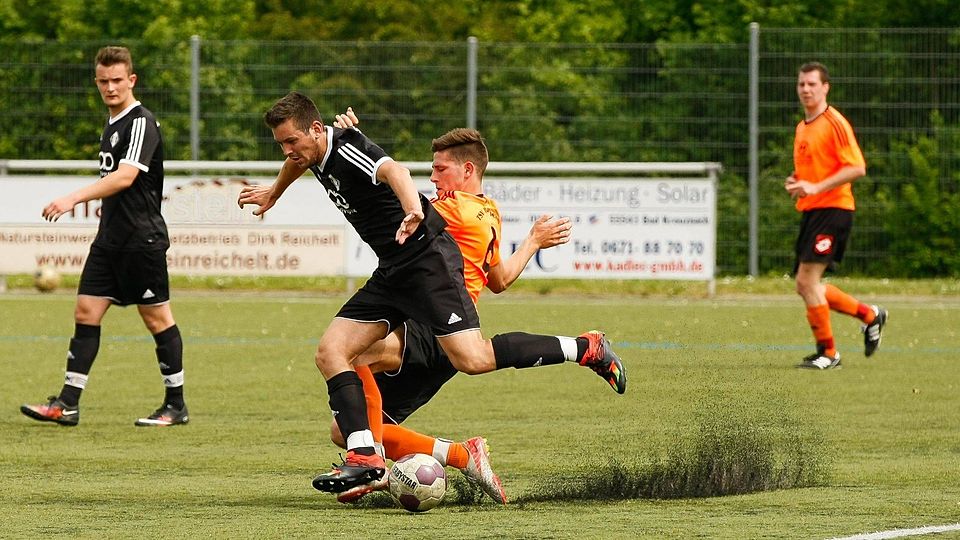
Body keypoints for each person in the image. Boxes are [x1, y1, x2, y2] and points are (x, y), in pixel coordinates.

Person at [237, 92, 625, 497]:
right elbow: (300, 158)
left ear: (316, 130)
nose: (287, 151)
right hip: (393, 270)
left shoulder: (354, 150)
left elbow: (397, 172)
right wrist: (274, 193)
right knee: (332, 352)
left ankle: (585, 347)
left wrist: (414, 208)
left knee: (472, 358)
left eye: (291, 142)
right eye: (282, 144)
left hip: (427, 262)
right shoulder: (315, 149)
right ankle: (366, 459)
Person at [328, 110, 609, 505]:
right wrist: (532, 241)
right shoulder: (487, 211)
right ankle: (460, 454)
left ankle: (370, 468)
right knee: (345, 428)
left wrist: (354, 140)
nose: (433, 177)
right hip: (441, 331)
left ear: (467, 170)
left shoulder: (455, 211)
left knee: (350, 350)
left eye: (440, 169)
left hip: (428, 327)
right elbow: (499, 280)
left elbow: (391, 193)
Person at [20, 46, 188, 427]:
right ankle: (67, 404)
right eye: (103, 81)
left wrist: (71, 198)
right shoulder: (111, 124)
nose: (110, 87)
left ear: (131, 80)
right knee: (86, 311)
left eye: (117, 80)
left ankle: (176, 405)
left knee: (157, 319)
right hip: (109, 241)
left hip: (141, 240)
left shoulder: (140, 121)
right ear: (96, 82)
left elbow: (126, 176)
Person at [785, 62, 888, 370]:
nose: (806, 89)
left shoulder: (835, 122)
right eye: (802, 84)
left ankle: (829, 353)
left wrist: (815, 186)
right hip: (814, 210)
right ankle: (870, 316)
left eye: (812, 84)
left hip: (834, 210)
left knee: (807, 280)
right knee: (806, 284)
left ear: (825, 87)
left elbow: (857, 167)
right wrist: (799, 183)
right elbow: (814, 172)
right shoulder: (803, 126)